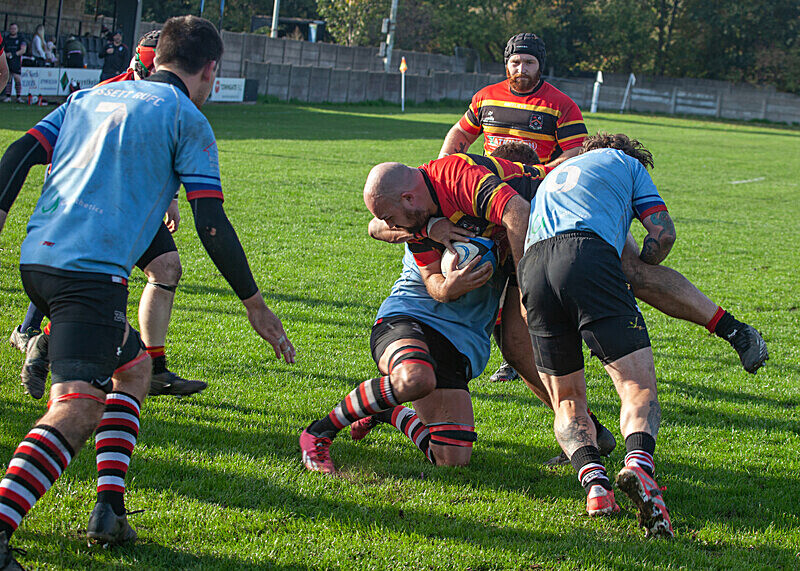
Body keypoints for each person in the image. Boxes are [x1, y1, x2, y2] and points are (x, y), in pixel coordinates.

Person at [0, 15, 295, 567]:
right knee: (77, 410)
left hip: (37, 261)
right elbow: (210, 222)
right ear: (211, 70)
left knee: (133, 370)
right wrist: (253, 302)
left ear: (155, 57)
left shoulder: (90, 98)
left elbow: (19, 151)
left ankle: (109, 509)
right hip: (88, 278)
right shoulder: (186, 117)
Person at [442, 32, 767, 380]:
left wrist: (529, 174)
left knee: (629, 272)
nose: (521, 68)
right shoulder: (485, 98)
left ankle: (733, 330)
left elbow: (575, 156)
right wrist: (449, 170)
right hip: (493, 198)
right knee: (498, 273)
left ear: (541, 65)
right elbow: (457, 137)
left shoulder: (560, 104)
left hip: (547, 196)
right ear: (505, 63)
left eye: (529, 62)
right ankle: (507, 358)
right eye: (515, 61)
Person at [9, 30, 207, 399]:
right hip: (91, 211)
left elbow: (160, 153)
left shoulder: (166, 99)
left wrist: (171, 198)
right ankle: (47, 348)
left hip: (129, 206)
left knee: (166, 267)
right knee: (82, 393)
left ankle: (156, 368)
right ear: (142, 67)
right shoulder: (106, 94)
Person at [518, 132, 675, 537]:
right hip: (587, 256)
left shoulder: (556, 171)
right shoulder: (626, 164)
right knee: (636, 385)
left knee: (567, 398)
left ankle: (596, 489)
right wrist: (641, 261)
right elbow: (662, 235)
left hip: (532, 270)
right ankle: (639, 467)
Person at [2, 24, 26, 103]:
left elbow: (23, 50)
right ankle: (8, 96)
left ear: (17, 29)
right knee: (8, 78)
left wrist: (14, 54)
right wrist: (6, 54)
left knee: (17, 78)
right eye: (11, 28)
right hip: (7, 60)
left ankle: (18, 97)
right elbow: (2, 49)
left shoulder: (20, 39)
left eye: (14, 28)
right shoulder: (6, 39)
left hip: (16, 61)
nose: (13, 30)